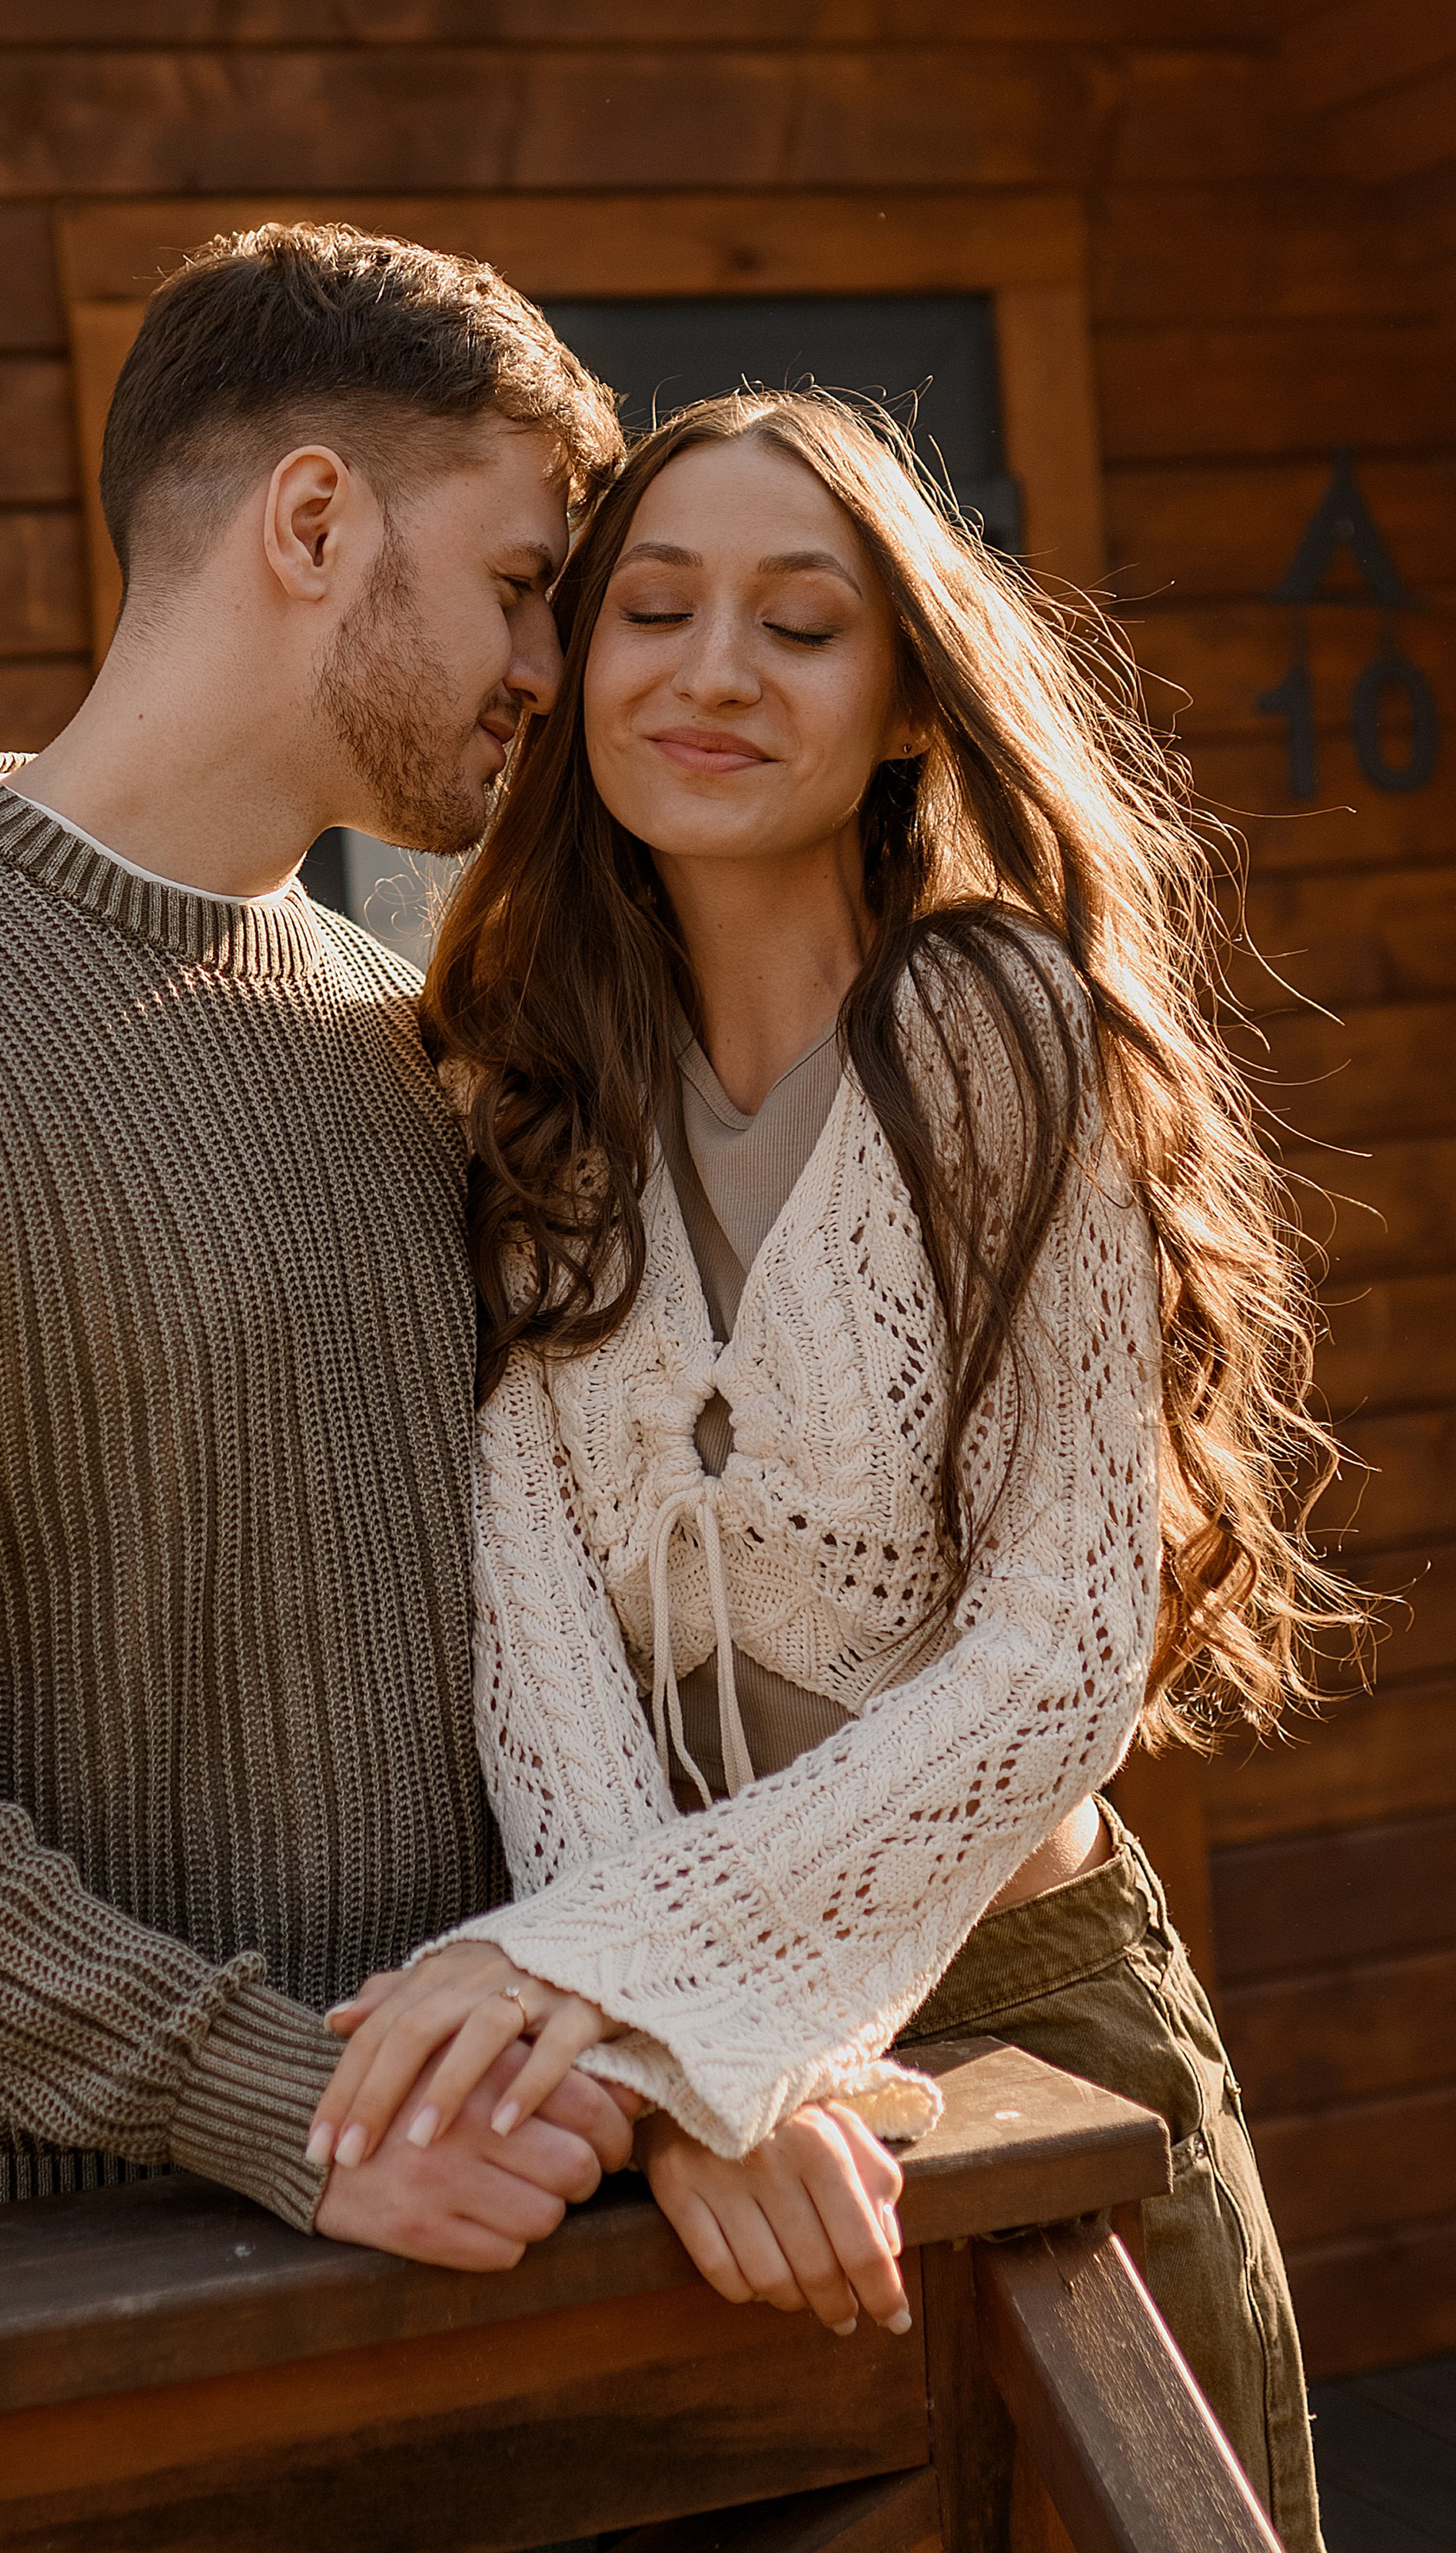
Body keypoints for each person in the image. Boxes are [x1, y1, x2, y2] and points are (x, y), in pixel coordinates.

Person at [311, 391, 1351, 2549]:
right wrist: (694, 2066)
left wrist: (628, 1987)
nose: (710, 671)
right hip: (714, 2104)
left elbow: (1062, 1650)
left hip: (1031, 2023)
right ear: (579, 665)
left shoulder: (993, 1032)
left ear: (898, 706)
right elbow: (539, 1654)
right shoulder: (530, 1096)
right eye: (653, 610)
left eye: (799, 625)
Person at [0, 221, 641, 2268]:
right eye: (526, 585)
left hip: (447, 2241)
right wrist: (279, 2099)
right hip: (10, 2316)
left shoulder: (384, 1022)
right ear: (315, 520)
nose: (555, 671)